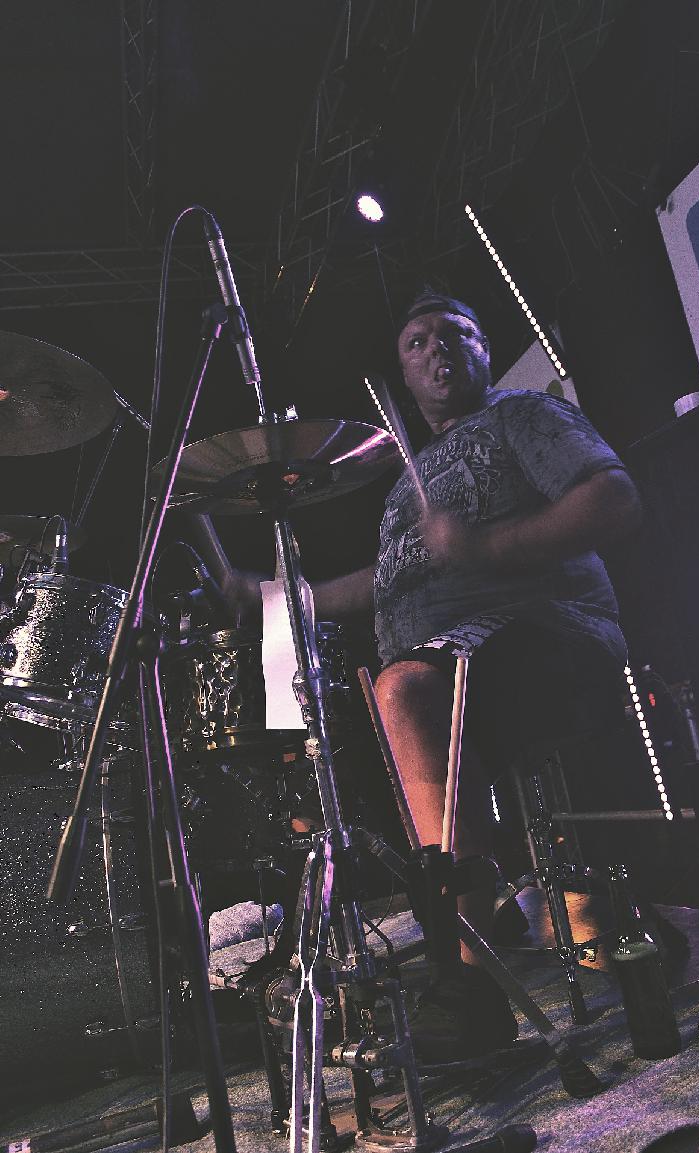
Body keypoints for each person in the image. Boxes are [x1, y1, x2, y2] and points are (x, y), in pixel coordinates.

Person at [226, 290, 641, 1059]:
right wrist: (274, 597)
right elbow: (378, 583)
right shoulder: (404, 485)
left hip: (551, 631)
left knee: (406, 688)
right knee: (338, 731)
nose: (436, 348)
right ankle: (421, 941)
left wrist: (487, 547)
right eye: (415, 342)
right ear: (403, 376)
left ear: (484, 348)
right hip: (454, 659)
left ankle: (467, 988)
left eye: (455, 332)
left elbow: (612, 499)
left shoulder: (521, 417)